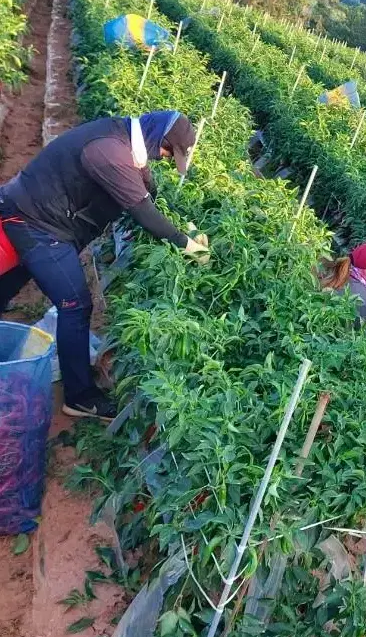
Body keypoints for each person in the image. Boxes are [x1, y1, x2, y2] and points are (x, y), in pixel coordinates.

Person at [0, 111, 210, 422]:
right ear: (159, 140)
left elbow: (146, 190)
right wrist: (187, 246)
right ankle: (80, 397)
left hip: (34, 214)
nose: (166, 159)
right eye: (169, 152)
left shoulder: (121, 139)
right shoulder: (110, 152)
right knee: (75, 305)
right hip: (36, 222)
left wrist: (180, 223)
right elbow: (142, 210)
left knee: (22, 271)